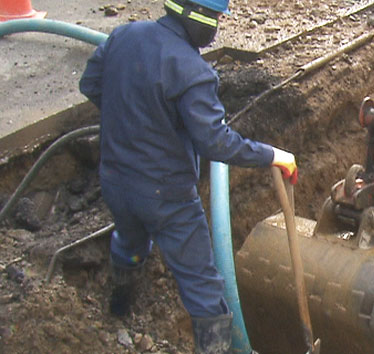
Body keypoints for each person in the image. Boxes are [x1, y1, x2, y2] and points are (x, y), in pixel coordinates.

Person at [78, 0, 297, 352]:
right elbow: (215, 143)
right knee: (204, 288)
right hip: (167, 198)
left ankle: (119, 305)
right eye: (215, 19)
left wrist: (131, 119)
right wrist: (272, 155)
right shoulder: (192, 70)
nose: (216, 27)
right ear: (198, 17)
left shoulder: (123, 36)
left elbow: (90, 84)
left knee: (130, 242)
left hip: (115, 180)